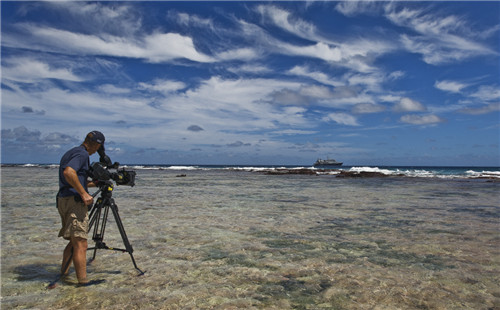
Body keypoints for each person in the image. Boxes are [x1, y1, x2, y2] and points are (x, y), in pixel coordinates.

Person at [57, 130, 105, 285]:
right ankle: (83, 282)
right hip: (74, 201)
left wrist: (95, 183)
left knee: (73, 241)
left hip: (64, 198)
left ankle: (63, 275)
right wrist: (84, 193)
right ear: (97, 145)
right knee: (81, 243)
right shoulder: (82, 154)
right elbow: (69, 173)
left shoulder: (72, 152)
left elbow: (73, 178)